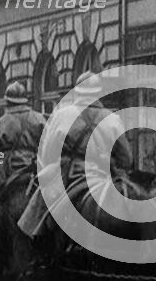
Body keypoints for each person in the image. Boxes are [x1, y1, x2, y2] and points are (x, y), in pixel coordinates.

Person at [17, 70, 132, 251]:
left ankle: (39, 253)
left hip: (66, 175)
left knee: (39, 212)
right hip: (102, 176)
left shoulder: (62, 115)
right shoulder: (112, 118)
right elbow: (126, 159)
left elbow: (46, 153)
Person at [0, 81, 46, 205]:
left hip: (8, 171)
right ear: (25, 101)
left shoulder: (1, 122)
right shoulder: (39, 119)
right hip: (33, 169)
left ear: (7, 102)